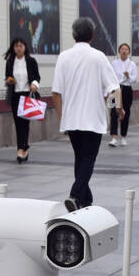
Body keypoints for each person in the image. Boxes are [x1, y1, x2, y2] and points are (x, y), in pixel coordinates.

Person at [51, 17, 121, 211]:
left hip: (71, 119)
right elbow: (114, 88)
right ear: (92, 35)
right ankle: (75, 195)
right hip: (93, 119)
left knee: (80, 158)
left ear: (74, 35)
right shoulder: (98, 57)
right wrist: (118, 108)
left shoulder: (63, 57)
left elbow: (56, 93)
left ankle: (86, 200)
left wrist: (61, 117)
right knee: (88, 159)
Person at [4, 38, 41, 165]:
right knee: (18, 123)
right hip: (15, 95)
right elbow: (7, 77)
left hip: (26, 94)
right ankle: (23, 149)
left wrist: (34, 84)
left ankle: (21, 149)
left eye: (21, 45)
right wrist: (9, 80)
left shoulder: (31, 61)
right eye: (16, 46)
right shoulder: (10, 61)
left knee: (24, 124)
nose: (18, 48)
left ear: (25, 47)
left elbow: (37, 77)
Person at [109, 43, 137, 146]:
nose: (124, 51)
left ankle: (124, 136)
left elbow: (134, 79)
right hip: (116, 88)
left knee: (126, 112)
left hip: (127, 89)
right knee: (113, 112)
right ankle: (114, 137)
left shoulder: (132, 64)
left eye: (126, 49)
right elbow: (110, 76)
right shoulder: (114, 63)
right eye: (122, 49)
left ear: (129, 52)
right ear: (119, 51)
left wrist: (128, 76)